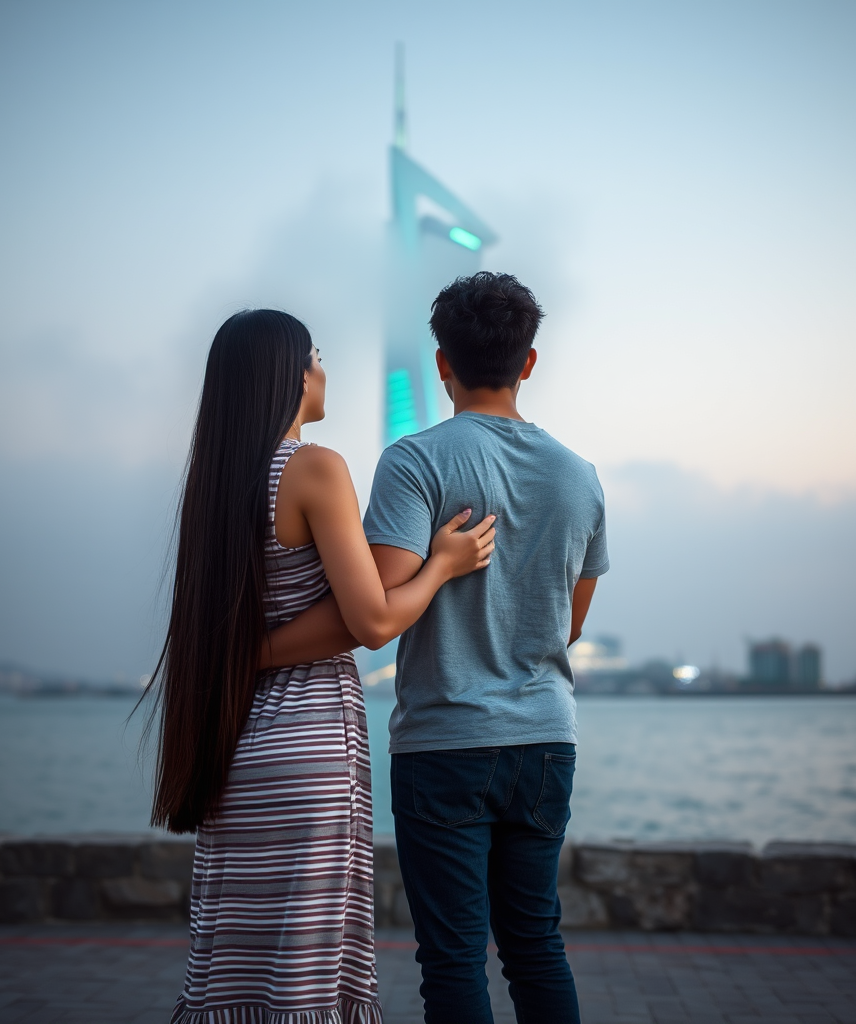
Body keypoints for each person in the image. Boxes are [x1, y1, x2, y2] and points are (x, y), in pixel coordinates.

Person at [263, 272, 608, 1024]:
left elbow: (381, 604)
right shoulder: (582, 480)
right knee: (537, 945)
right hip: (547, 739)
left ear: (442, 363)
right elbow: (569, 625)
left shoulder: (415, 461)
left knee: (453, 958)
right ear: (529, 363)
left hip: (445, 740)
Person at [147, 309, 496, 1024]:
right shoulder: (313, 467)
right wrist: (441, 567)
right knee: (303, 975)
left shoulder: (216, 485)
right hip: (306, 746)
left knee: (234, 970)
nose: (324, 368)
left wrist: (243, 655)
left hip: (232, 744)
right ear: (288, 375)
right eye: (315, 356)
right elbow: (370, 622)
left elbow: (235, 629)